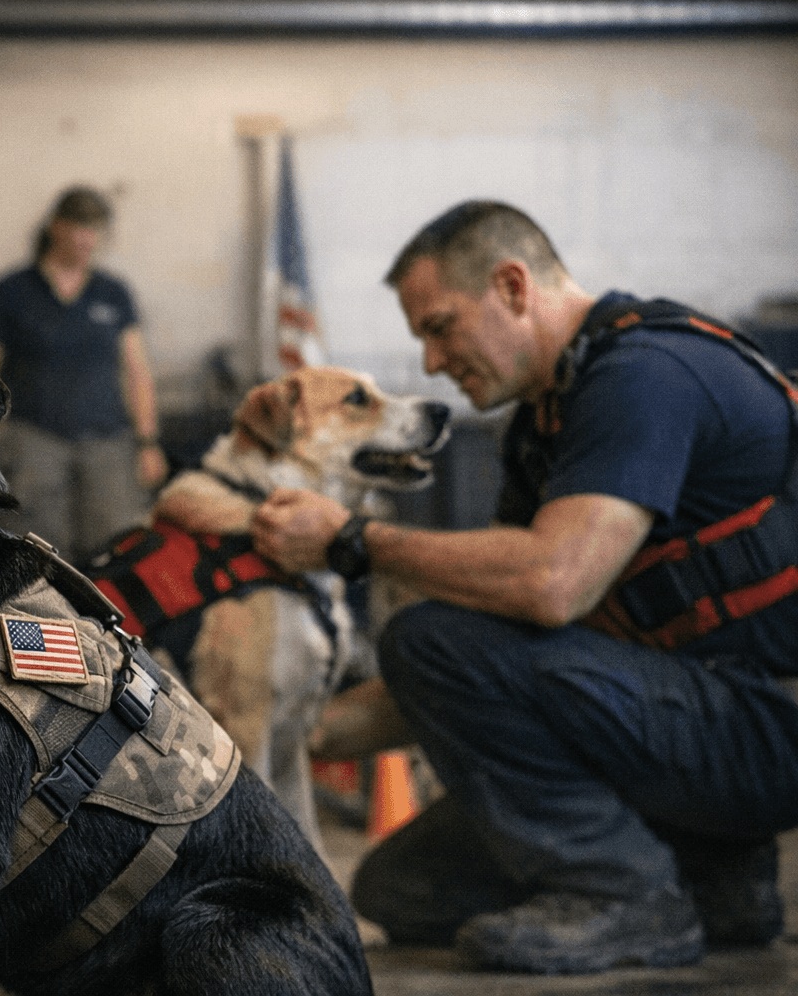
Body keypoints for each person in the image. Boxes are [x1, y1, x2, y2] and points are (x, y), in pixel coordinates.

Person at [249, 199, 798, 974]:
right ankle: (718, 881)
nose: (433, 363)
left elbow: (552, 585)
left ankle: (629, 897)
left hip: (766, 725)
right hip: (690, 721)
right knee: (401, 889)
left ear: (512, 286)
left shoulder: (644, 377)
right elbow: (503, 665)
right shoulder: (545, 427)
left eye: (439, 327)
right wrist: (273, 731)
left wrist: (350, 540)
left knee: (425, 634)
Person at [0, 185, 167, 565]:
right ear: (55, 227)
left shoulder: (113, 293)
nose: (87, 239)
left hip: (107, 444)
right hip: (34, 441)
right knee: (37, 551)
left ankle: (104, 625)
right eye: (79, 227)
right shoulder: (12, 290)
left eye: (95, 229)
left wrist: (148, 442)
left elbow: (137, 372)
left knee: (114, 549)